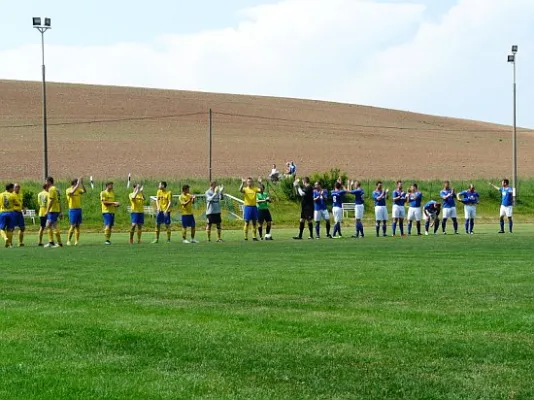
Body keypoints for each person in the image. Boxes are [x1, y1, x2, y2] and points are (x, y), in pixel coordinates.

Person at [66, 177, 86, 246]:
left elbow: (84, 191)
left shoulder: (78, 189)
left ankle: (76, 241)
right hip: (72, 209)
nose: (78, 184)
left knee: (78, 226)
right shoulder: (68, 190)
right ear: (74, 183)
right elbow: (71, 193)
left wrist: (82, 184)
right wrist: (78, 184)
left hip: (78, 209)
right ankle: (68, 240)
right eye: (77, 182)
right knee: (73, 225)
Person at [44, 177, 62, 248]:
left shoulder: (51, 189)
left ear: (49, 182)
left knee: (51, 225)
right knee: (50, 225)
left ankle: (59, 243)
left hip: (52, 210)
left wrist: (47, 210)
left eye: (46, 181)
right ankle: (51, 242)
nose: (45, 183)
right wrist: (60, 211)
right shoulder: (56, 189)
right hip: (55, 210)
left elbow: (51, 200)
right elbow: (59, 201)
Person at [0, 183, 18, 248]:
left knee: (1, 228)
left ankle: (5, 238)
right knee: (10, 229)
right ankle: (9, 244)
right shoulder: (12, 195)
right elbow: (17, 203)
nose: (13, 189)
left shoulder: (0, 195)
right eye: (13, 188)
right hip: (10, 213)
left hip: (2, 213)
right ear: (10, 188)